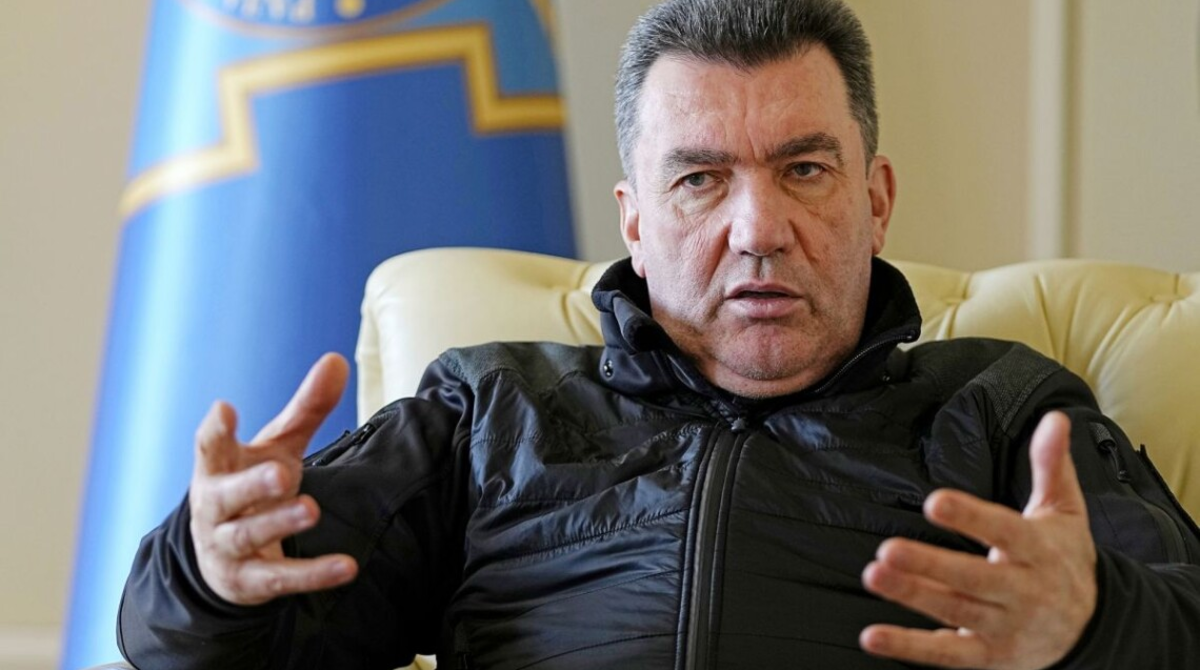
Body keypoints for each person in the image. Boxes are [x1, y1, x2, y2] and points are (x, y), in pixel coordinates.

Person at [117, 0, 1200, 668]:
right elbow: (223, 645)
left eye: (804, 169)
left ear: (875, 201)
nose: (758, 229)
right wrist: (206, 572)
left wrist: (1095, 624)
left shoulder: (1005, 410)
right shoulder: (489, 413)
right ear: (635, 222)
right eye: (700, 180)